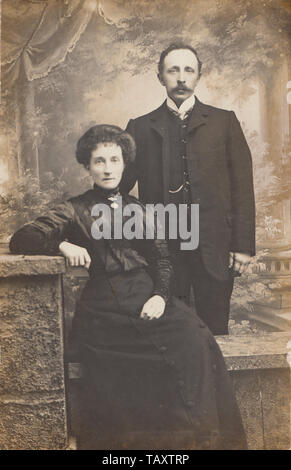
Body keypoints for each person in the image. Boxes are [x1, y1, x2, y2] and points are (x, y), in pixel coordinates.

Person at [10, 124, 247, 450]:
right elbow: (22, 237)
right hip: (104, 308)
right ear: (87, 166)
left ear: (125, 163)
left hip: (146, 295)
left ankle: (205, 442)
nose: (107, 168)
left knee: (198, 338)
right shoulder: (74, 208)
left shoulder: (140, 209)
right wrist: (62, 245)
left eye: (114, 160)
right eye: (99, 161)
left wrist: (161, 297)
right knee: (151, 359)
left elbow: (163, 261)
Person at [121, 43, 256, 336]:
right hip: (164, 252)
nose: (181, 78)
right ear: (160, 77)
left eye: (188, 70)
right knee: (171, 331)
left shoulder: (224, 122)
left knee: (216, 329)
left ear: (198, 76)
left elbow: (242, 187)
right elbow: (116, 190)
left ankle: (216, 383)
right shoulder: (140, 128)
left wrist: (243, 246)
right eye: (173, 70)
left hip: (214, 246)